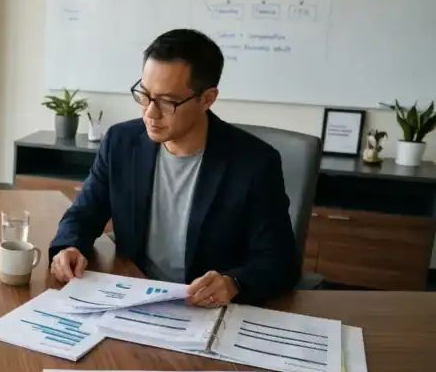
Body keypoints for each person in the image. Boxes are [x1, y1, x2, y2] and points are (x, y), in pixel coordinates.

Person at [48, 28, 299, 306]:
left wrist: (234, 282)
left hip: (206, 309)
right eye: (144, 94)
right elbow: (84, 213)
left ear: (207, 98)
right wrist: (69, 246)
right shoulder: (121, 143)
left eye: (167, 102)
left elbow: (280, 261)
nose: (150, 113)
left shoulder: (254, 163)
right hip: (137, 296)